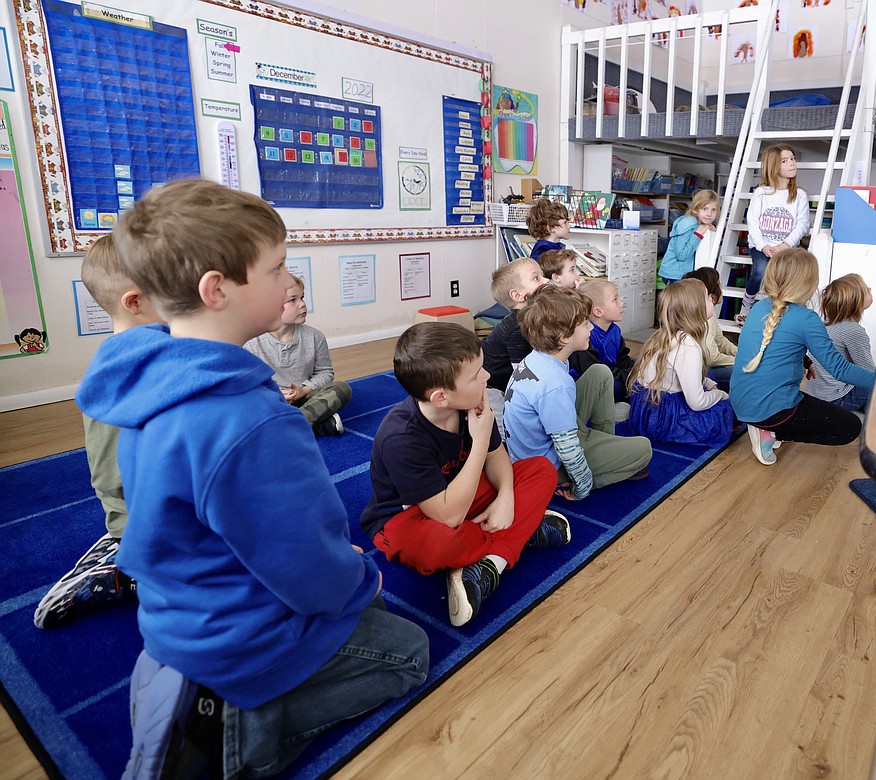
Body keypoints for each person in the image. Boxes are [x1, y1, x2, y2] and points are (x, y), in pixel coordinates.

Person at [75, 179, 428, 777]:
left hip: (175, 617)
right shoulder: (250, 421)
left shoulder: (143, 380)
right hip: (239, 639)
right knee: (410, 651)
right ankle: (239, 735)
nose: (289, 281)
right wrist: (358, 584)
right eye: (278, 268)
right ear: (218, 290)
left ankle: (191, 694)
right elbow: (306, 563)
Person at [360, 322, 569, 628]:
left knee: (539, 469)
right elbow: (448, 517)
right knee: (443, 543)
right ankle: (520, 535)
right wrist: (480, 440)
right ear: (441, 397)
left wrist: (506, 497)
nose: (486, 377)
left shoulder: (470, 401)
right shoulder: (401, 436)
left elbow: (498, 457)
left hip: (464, 497)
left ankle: (489, 565)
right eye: (475, 376)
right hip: (411, 516)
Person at [34, 235, 158, 630]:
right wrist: (125, 526)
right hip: (141, 517)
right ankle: (118, 569)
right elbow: (108, 470)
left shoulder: (158, 351)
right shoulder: (118, 371)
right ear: (135, 302)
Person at [502, 285, 652, 502]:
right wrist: (581, 487)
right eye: (584, 323)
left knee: (600, 372)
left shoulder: (541, 357)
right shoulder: (555, 384)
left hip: (539, 446)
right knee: (644, 449)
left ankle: (604, 444)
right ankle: (568, 479)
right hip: (548, 465)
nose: (591, 327)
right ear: (564, 337)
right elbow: (567, 448)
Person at [731, 248, 875, 466]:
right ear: (809, 283)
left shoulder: (759, 306)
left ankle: (768, 426)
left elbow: (768, 346)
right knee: (851, 428)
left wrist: (805, 361)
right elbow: (841, 370)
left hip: (741, 401)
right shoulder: (807, 319)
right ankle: (773, 432)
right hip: (771, 410)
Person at [626, 280, 733, 448]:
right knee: (723, 409)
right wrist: (721, 395)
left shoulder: (664, 334)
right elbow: (697, 403)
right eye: (706, 297)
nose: (712, 299)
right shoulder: (688, 346)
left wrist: (709, 384)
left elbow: (689, 375)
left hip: (646, 409)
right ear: (694, 309)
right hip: (664, 416)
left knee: (709, 379)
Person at [244, 274, 351, 436]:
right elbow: (246, 384)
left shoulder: (315, 337)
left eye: (302, 297)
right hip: (271, 401)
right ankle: (315, 425)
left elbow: (325, 372)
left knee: (342, 388)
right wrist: (275, 394)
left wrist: (302, 391)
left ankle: (286, 427)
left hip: (305, 398)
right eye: (292, 300)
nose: (302, 304)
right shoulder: (251, 342)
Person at [740, 144, 809, 321]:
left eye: (793, 159)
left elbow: (802, 224)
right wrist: (763, 246)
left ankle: (785, 313)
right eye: (785, 161)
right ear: (773, 166)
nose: (792, 163)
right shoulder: (761, 193)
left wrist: (785, 245)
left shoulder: (799, 195)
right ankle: (746, 305)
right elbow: (752, 221)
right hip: (762, 246)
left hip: (788, 247)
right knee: (761, 271)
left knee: (793, 274)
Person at [482, 258, 548, 419]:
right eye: (536, 278)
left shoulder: (535, 318)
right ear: (518, 295)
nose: (546, 280)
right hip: (490, 387)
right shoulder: (517, 330)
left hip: (506, 381)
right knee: (506, 424)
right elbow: (522, 375)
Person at [805, 273, 875, 412]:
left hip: (816, 395)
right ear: (857, 301)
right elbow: (869, 373)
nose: (870, 289)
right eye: (866, 290)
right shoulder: (853, 331)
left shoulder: (827, 325)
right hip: (835, 398)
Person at [569, 278, 636, 408]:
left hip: (613, 374)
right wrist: (627, 377)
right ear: (598, 311)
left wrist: (633, 371)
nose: (621, 303)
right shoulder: (586, 336)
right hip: (593, 382)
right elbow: (594, 372)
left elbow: (622, 358)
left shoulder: (614, 330)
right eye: (615, 300)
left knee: (640, 366)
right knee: (617, 386)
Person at [682, 266, 737, 391]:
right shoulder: (704, 318)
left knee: (730, 340)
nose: (722, 288)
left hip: (705, 365)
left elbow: (721, 341)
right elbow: (711, 358)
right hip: (700, 370)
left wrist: (740, 354)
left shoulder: (710, 314)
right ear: (710, 295)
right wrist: (738, 361)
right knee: (743, 371)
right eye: (719, 285)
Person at [658, 189, 720, 285]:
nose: (709, 214)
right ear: (695, 210)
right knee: (682, 300)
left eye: (713, 210)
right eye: (705, 209)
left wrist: (706, 226)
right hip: (674, 273)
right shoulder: (687, 225)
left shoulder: (697, 223)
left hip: (682, 273)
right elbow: (682, 255)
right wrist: (698, 234)